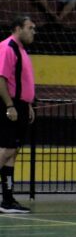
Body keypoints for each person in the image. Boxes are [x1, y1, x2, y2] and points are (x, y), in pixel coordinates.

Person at [0, 16, 36, 214]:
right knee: (5, 150)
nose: (33, 32)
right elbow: (1, 79)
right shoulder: (8, 48)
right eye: (30, 28)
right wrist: (9, 105)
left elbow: (21, 81)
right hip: (11, 105)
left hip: (21, 105)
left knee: (12, 151)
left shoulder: (22, 50)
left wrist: (27, 104)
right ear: (17, 28)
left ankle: (7, 200)